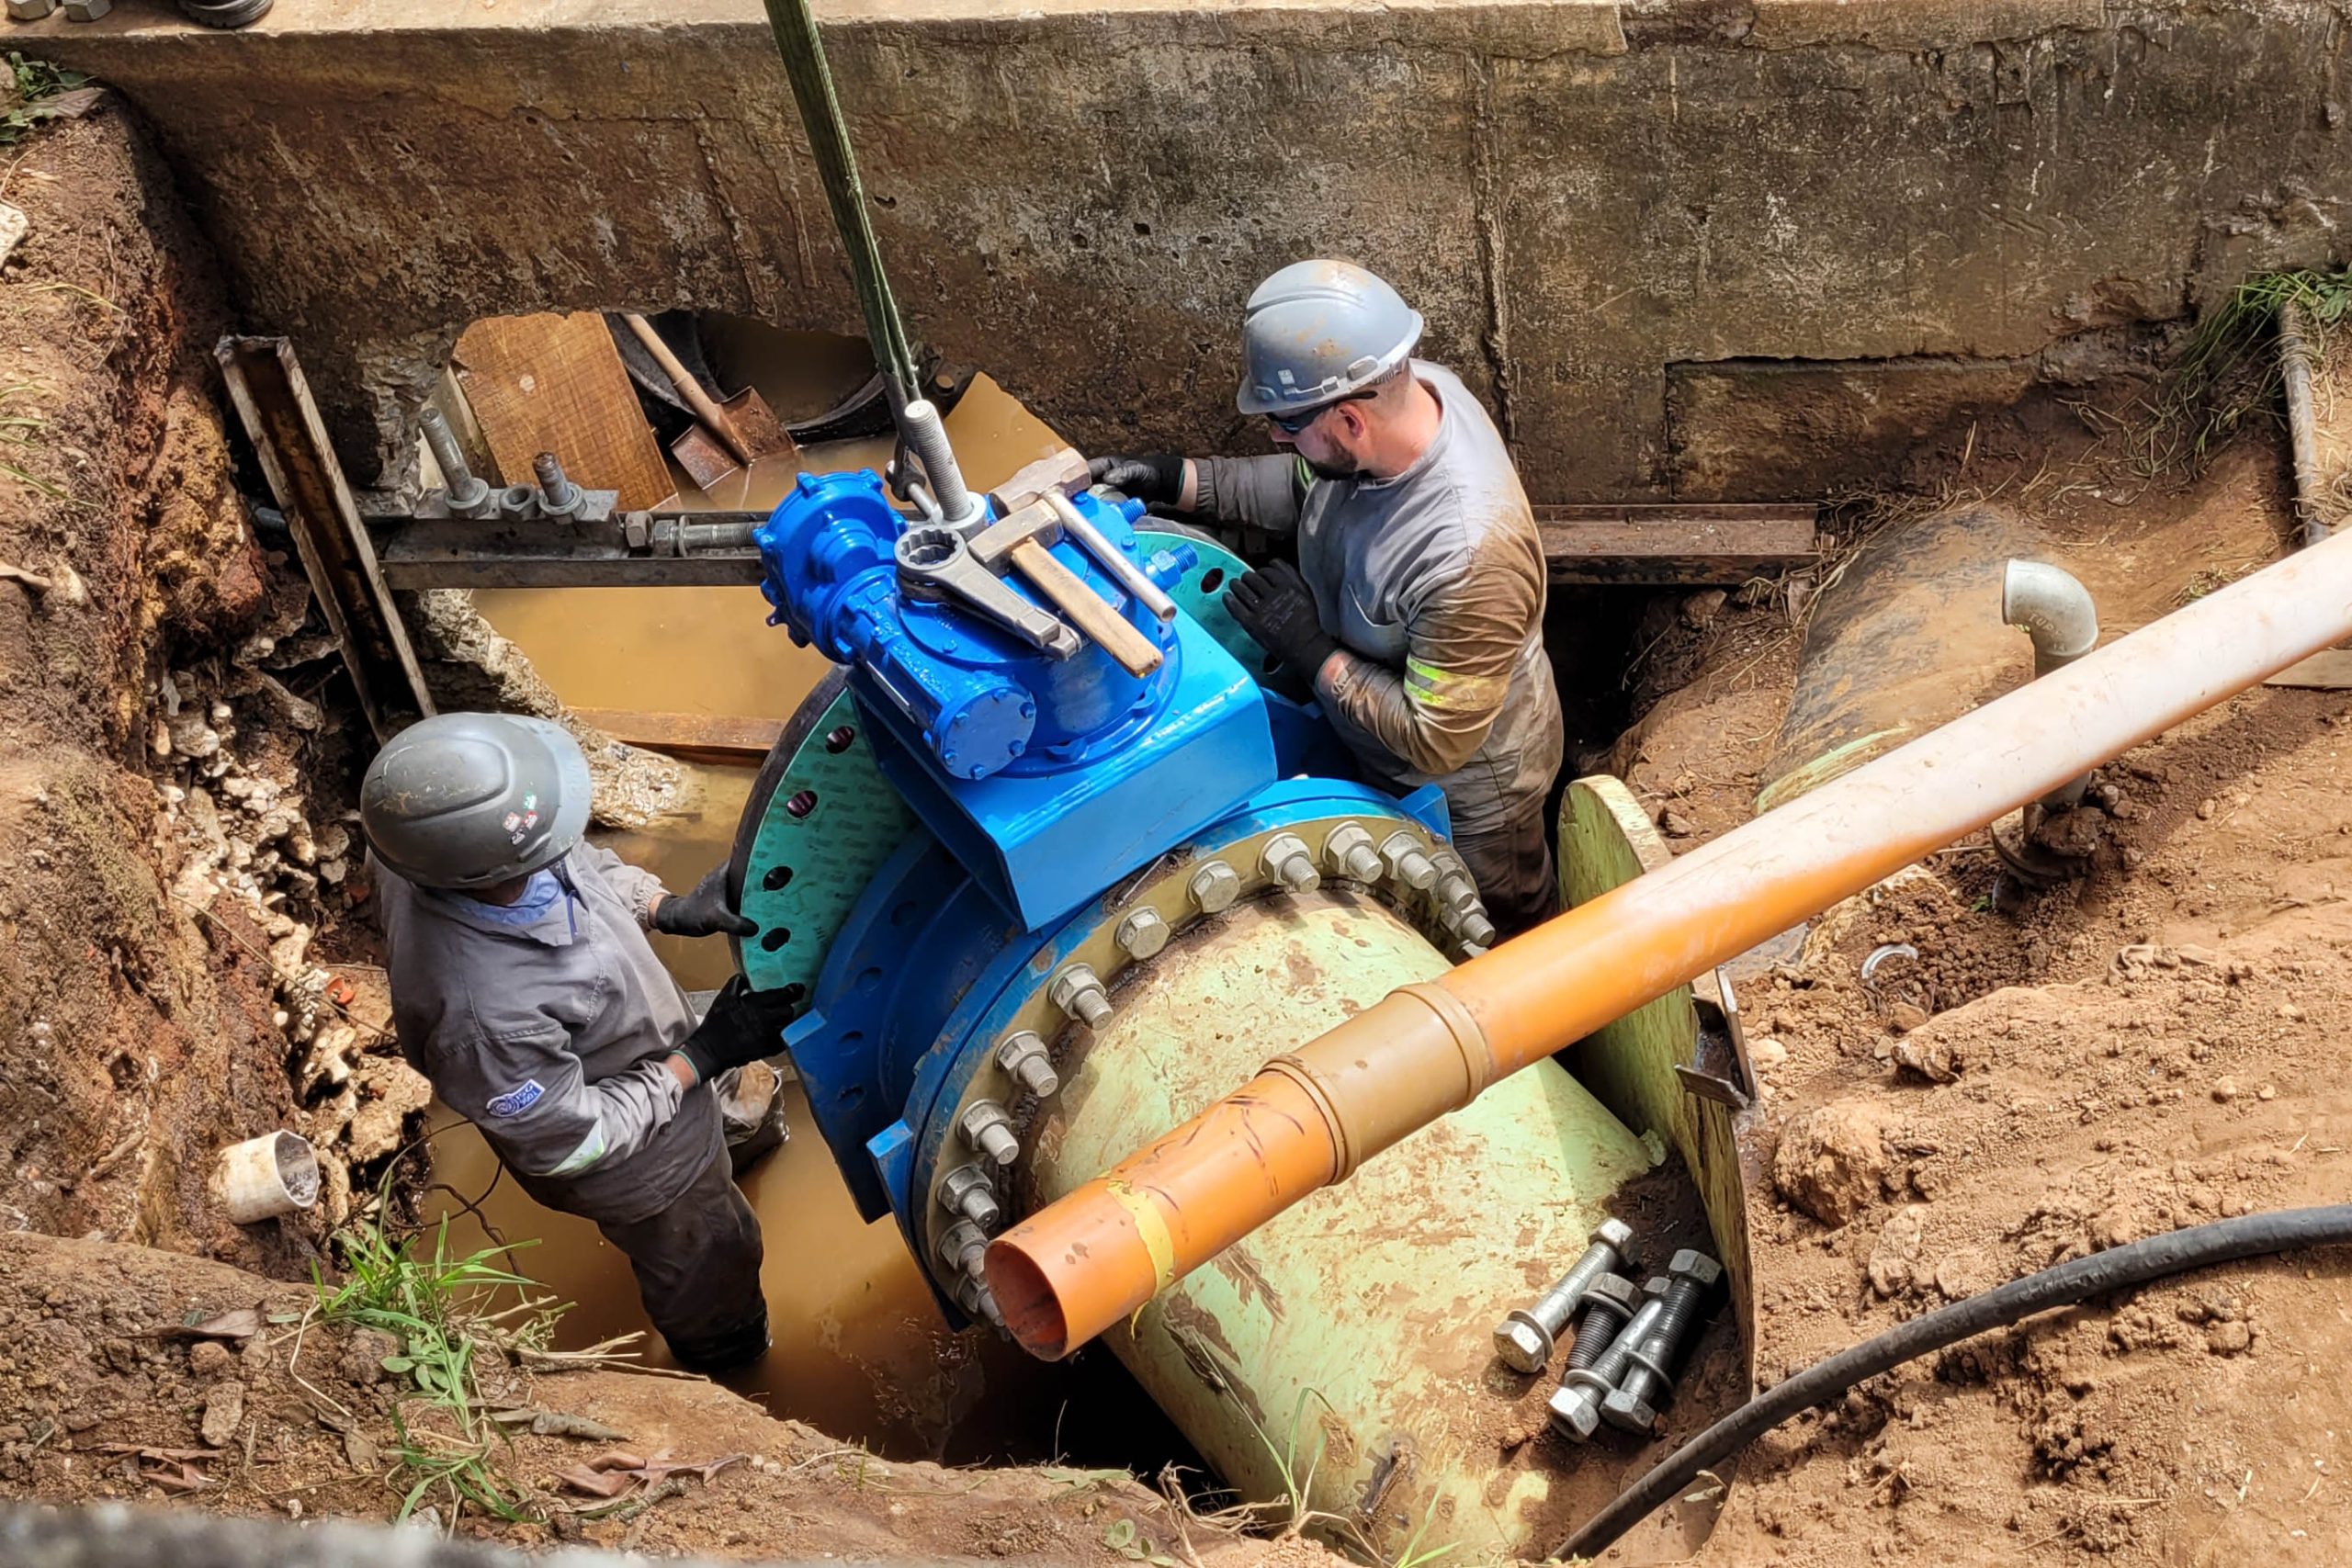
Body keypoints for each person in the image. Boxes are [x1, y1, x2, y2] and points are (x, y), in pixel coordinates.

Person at [1091, 259, 1566, 933]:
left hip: (1467, 793)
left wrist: (1313, 651)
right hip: (1368, 740)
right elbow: (1301, 482)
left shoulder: (1465, 558)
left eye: (1285, 422)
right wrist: (1174, 479)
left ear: (1349, 419)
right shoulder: (1400, 405)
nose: (1276, 435)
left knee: (1500, 921)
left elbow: (1437, 742)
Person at [360, 712, 787, 1374]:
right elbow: (572, 1143)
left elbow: (572, 863)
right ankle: (735, 1372)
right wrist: (696, 1059)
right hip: (647, 1168)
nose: (561, 843)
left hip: (645, 1050)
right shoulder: (483, 1019)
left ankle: (733, 1139)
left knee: (734, 1103)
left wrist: (661, 906)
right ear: (483, 868)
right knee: (713, 1265)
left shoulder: (427, 835)